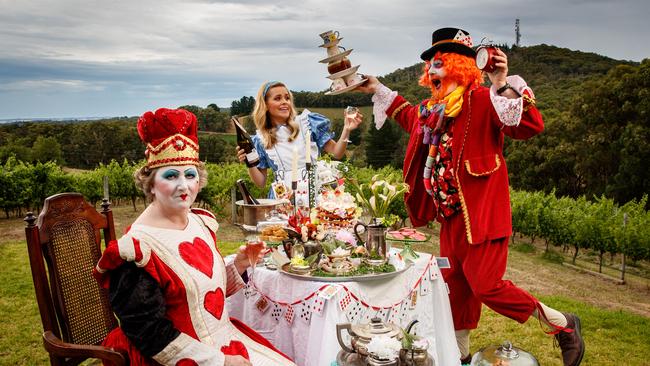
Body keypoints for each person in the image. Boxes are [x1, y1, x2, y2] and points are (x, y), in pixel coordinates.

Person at [356, 27, 584, 366]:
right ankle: (459, 358)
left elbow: (529, 125)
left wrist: (502, 83)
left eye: (438, 64)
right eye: (430, 67)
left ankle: (563, 324)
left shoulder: (483, 99)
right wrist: (377, 88)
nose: (432, 73)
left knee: (487, 287)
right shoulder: (433, 110)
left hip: (483, 217)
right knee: (455, 290)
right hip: (449, 221)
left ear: (460, 66)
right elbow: (407, 115)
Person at [93, 108, 294, 366]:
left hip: (224, 340)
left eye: (190, 175)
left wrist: (239, 265)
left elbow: (201, 296)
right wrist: (220, 361)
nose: (184, 186)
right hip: (178, 357)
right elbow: (151, 336)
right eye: (170, 175)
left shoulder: (199, 222)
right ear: (150, 184)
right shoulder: (136, 251)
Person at [236, 81, 362, 204]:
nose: (285, 102)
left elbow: (337, 153)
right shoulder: (261, 139)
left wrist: (346, 129)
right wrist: (249, 163)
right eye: (277, 98)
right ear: (266, 105)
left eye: (287, 98)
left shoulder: (307, 124)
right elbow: (261, 183)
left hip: (314, 194)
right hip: (283, 200)